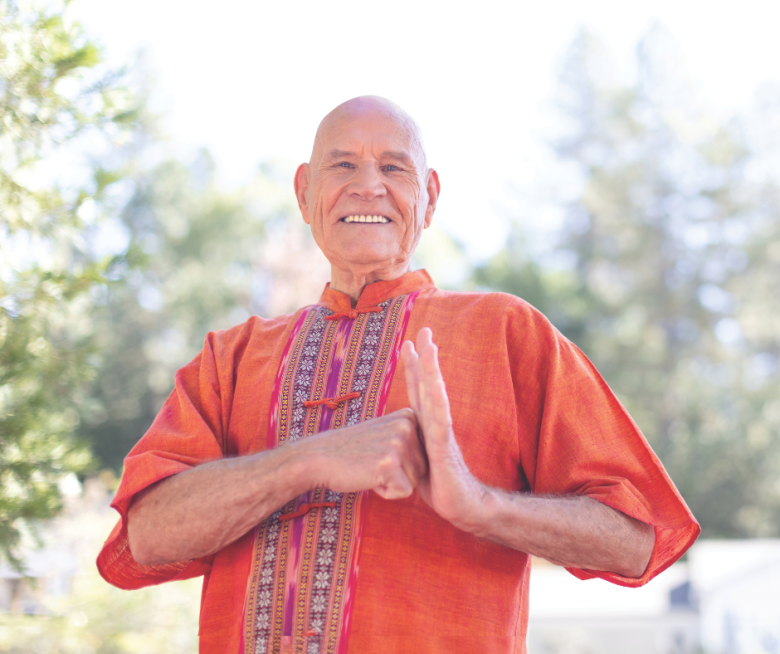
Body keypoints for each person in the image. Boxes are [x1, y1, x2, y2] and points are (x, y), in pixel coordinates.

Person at [98, 96, 699, 654]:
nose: (368, 186)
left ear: (429, 198)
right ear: (305, 192)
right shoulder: (230, 357)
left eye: (394, 167)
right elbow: (147, 535)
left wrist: (482, 505)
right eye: (342, 165)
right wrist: (305, 461)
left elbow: (638, 538)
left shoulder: (507, 332)